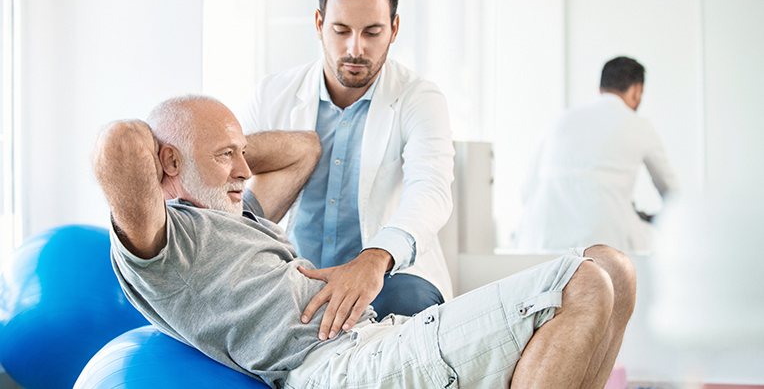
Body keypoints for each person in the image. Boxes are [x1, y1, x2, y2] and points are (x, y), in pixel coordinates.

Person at [93, 95, 636, 389]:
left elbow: (304, 149)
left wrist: (222, 153)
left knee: (613, 268)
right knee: (583, 284)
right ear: (166, 161)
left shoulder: (241, 216)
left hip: (378, 339)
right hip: (332, 369)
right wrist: (178, 148)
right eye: (225, 156)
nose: (243, 170)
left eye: (242, 154)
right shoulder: (166, 247)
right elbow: (120, 145)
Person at [239, 0, 455, 325]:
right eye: (341, 30)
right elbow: (230, 182)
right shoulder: (272, 94)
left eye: (372, 32)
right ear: (320, 23)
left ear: (394, 28)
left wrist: (376, 257)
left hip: (389, 277)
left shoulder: (419, 97)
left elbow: (430, 191)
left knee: (404, 304)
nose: (356, 49)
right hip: (294, 277)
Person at [515, 56, 679, 254]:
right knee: (661, 242)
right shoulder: (640, 126)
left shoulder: (560, 120)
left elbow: (526, 190)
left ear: (600, 88)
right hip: (604, 243)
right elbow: (672, 194)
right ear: (637, 91)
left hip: (541, 241)